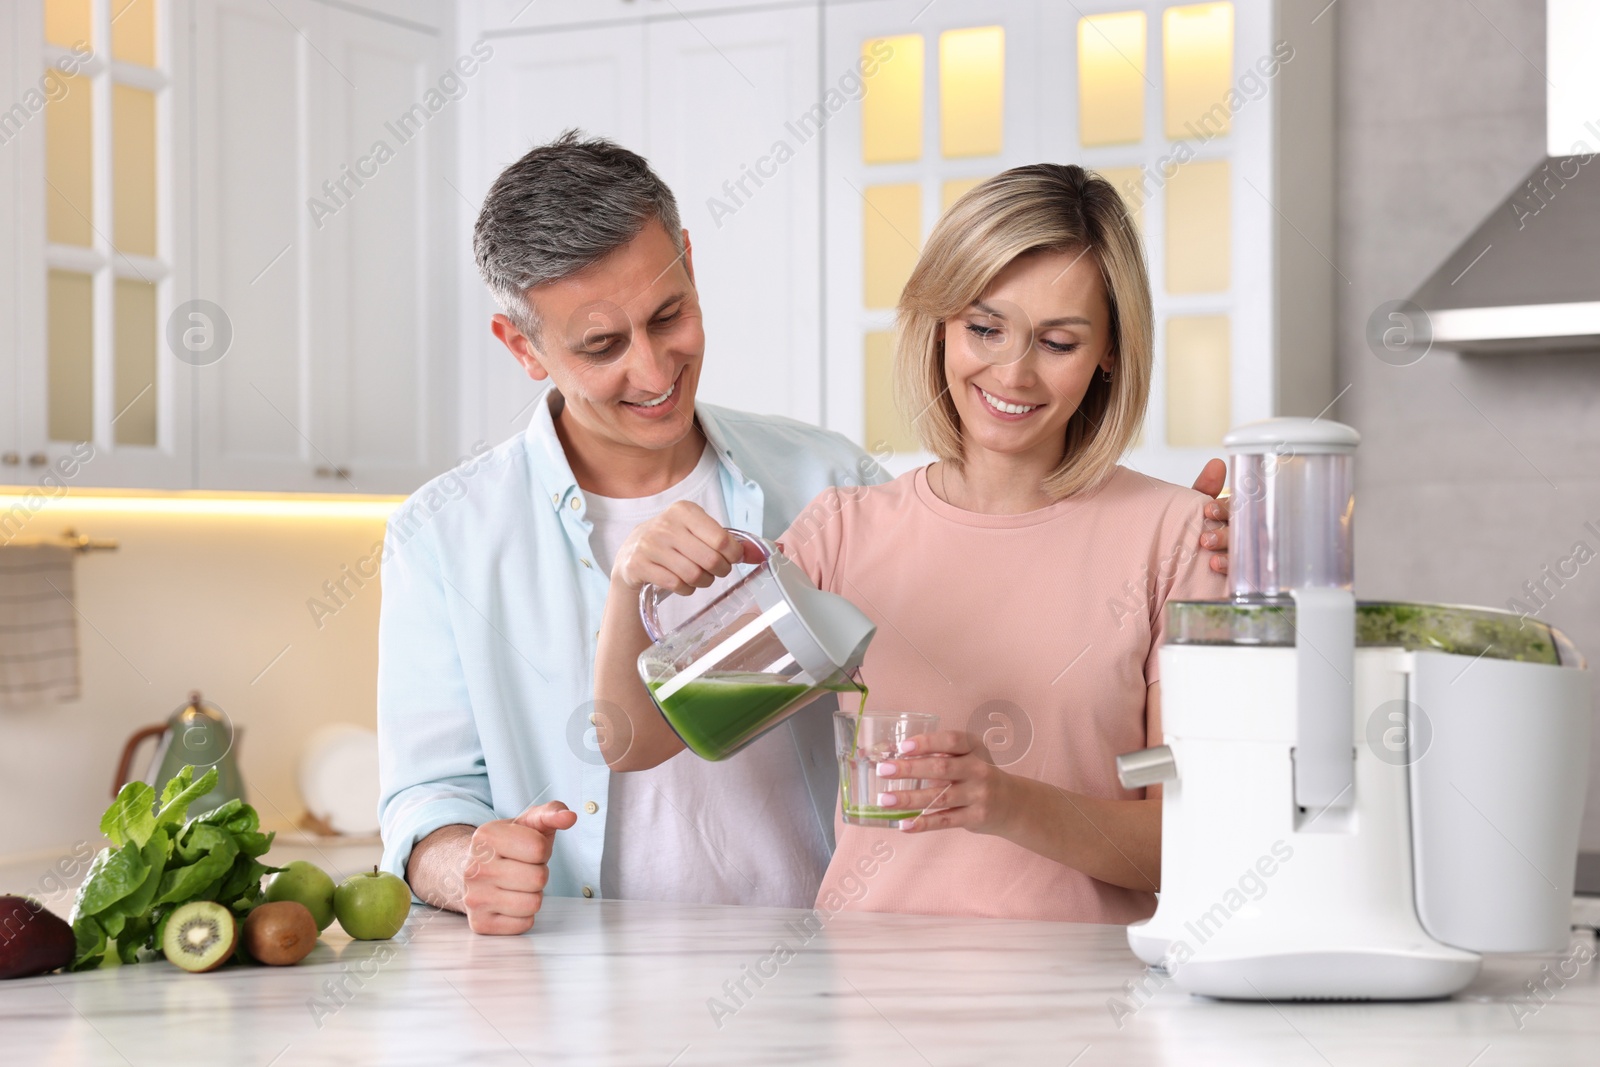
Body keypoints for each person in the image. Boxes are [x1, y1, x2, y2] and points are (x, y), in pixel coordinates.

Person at [378, 133, 1232, 935]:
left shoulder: (1177, 537)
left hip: (1085, 998)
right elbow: (640, 738)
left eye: (1058, 339)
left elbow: (1212, 835)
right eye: (984, 327)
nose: (1011, 371)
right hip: (859, 996)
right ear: (939, 325)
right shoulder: (845, 535)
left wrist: (1006, 800)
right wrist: (631, 586)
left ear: (1110, 351)